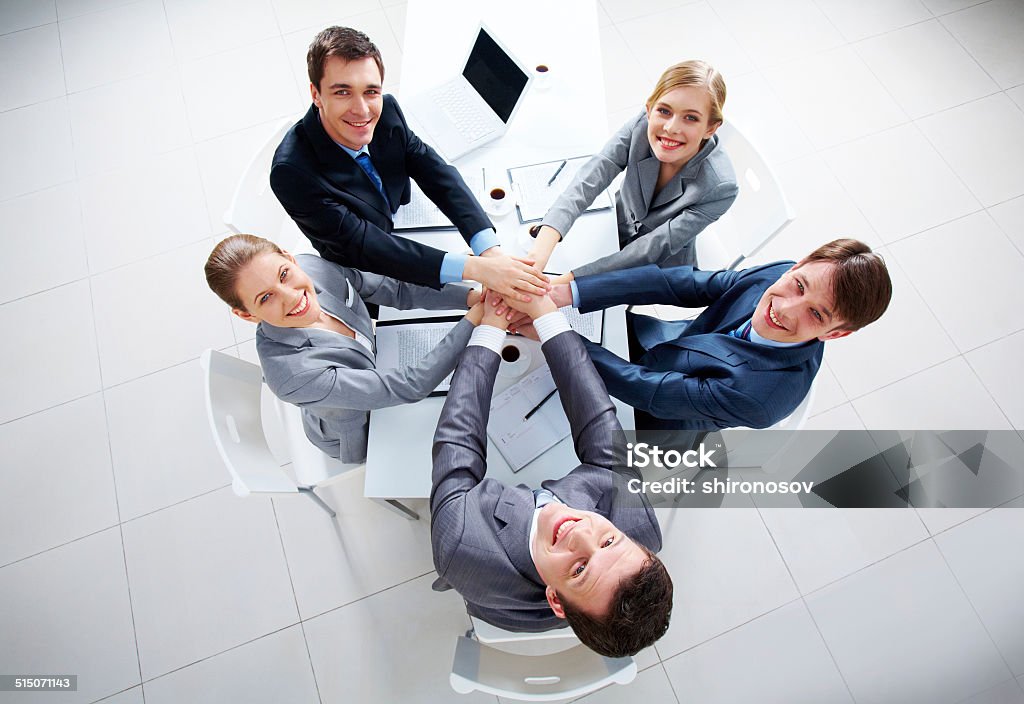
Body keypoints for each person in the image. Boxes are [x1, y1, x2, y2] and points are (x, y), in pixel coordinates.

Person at [430, 291, 673, 657]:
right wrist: (545, 317)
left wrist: (491, 327)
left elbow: (457, 439)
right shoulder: (636, 528)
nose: (580, 534)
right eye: (608, 542)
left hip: (493, 598)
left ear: (556, 604)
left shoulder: (462, 543)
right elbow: (599, 421)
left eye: (579, 569)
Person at [271, 26, 547, 302]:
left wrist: (490, 251)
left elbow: (435, 172)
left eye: (370, 91)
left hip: (403, 222)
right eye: (342, 92)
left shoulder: (388, 110)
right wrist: (478, 269)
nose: (362, 110)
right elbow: (365, 245)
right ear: (316, 94)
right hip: (363, 269)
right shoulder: (291, 173)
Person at [547, 239, 893, 430]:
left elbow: (646, 390)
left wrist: (555, 331)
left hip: (650, 419)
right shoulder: (777, 272)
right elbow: (684, 284)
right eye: (798, 285)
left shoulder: (761, 397)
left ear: (836, 335)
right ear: (797, 265)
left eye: (816, 314)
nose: (786, 309)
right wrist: (570, 294)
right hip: (667, 344)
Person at [204, 234, 485, 462]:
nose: (291, 298)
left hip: (377, 365)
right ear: (247, 315)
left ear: (290, 259)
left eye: (284, 274)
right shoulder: (291, 375)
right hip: (360, 425)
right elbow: (409, 386)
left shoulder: (310, 266)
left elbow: (393, 289)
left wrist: (470, 297)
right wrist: (474, 321)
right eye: (266, 298)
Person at [526, 59, 738, 281]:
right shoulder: (642, 125)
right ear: (649, 109)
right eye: (664, 111)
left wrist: (566, 281)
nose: (671, 128)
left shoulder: (722, 187)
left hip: (658, 266)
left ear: (711, 128)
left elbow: (652, 248)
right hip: (614, 224)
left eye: (691, 118)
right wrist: (539, 252)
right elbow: (594, 174)